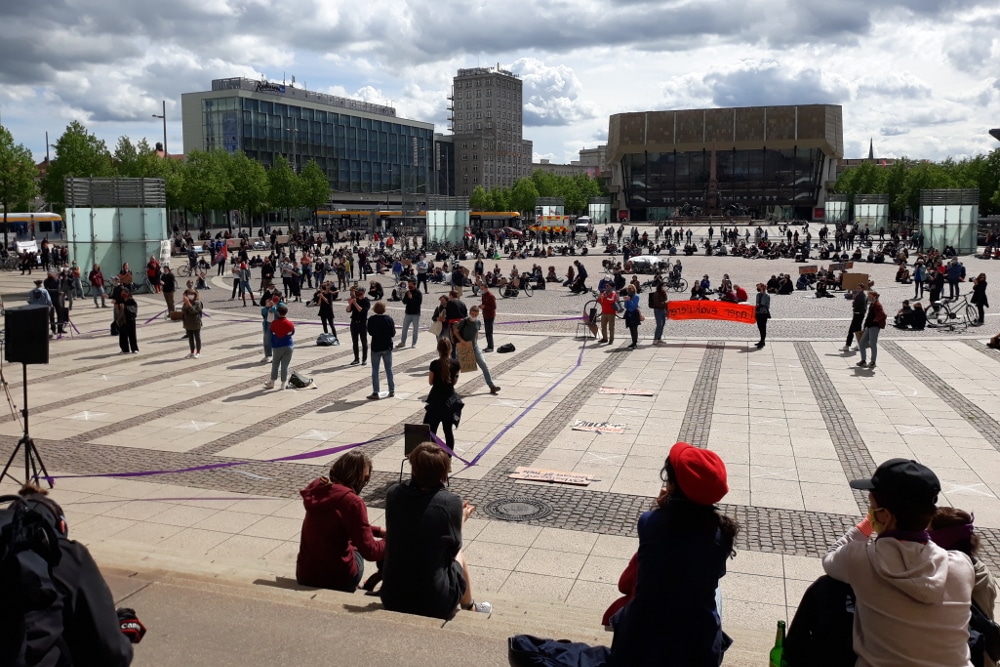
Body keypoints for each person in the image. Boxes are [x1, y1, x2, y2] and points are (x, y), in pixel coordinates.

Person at [822, 459, 974, 666]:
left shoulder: (861, 558)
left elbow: (830, 558)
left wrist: (867, 526)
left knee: (827, 587)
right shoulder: (961, 565)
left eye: (872, 506)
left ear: (885, 515)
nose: (870, 511)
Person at [2, 485, 144, 666]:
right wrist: (123, 633)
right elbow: (114, 651)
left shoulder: (5, 550)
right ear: (61, 525)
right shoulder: (68, 555)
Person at [380, 442, 491, 618]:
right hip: (434, 602)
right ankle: (469, 605)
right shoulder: (450, 503)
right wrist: (460, 519)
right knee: (459, 554)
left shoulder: (394, 494)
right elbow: (454, 546)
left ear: (414, 468)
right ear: (443, 472)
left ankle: (470, 605)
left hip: (393, 596)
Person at [295, 451, 385, 592]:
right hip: (339, 579)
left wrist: (378, 531)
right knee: (358, 544)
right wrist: (390, 540)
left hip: (305, 574)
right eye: (365, 478)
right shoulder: (352, 502)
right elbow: (370, 551)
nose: (365, 482)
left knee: (350, 538)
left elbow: (340, 522)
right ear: (356, 477)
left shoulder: (318, 488)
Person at [423, 338, 461, 454]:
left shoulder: (434, 364)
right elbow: (454, 382)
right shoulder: (456, 364)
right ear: (450, 349)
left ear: (438, 349)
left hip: (436, 400)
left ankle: (432, 455)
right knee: (448, 431)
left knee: (431, 431)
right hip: (449, 401)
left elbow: (431, 382)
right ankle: (448, 458)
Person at [452, 305, 500, 395]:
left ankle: (491, 386)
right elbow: (456, 332)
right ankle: (449, 387)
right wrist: (461, 340)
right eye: (472, 314)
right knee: (457, 368)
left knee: (484, 365)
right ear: (469, 312)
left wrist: (476, 342)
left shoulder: (478, 322)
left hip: (474, 347)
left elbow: (476, 332)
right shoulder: (463, 321)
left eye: (475, 314)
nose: (473, 316)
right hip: (464, 347)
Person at [366, 301, 396, 400]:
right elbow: (393, 333)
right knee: (389, 369)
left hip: (376, 346)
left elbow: (370, 332)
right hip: (387, 346)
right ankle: (391, 390)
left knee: (375, 370)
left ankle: (376, 391)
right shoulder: (389, 319)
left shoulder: (371, 319)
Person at [264, 305, 294, 390]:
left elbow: (270, 333)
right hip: (288, 345)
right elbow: (292, 332)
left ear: (278, 312)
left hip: (277, 346)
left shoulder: (274, 323)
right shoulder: (290, 323)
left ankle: (272, 382)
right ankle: (283, 384)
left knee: (275, 365)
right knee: (285, 366)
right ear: (286, 312)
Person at [857, 291, 886, 370]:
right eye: (868, 296)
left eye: (870, 296)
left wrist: (875, 320)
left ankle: (873, 361)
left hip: (874, 327)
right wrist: (865, 325)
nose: (868, 298)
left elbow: (883, 314)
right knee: (862, 343)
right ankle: (863, 360)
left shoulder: (878, 305)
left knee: (873, 344)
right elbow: (869, 316)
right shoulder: (872, 305)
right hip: (869, 326)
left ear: (874, 297)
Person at [348, 286, 371, 366]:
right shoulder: (356, 299)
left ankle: (364, 359)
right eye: (356, 292)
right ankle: (356, 359)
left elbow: (362, 310)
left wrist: (355, 303)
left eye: (358, 292)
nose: (357, 293)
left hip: (362, 323)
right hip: (354, 323)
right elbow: (348, 310)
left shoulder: (366, 301)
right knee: (355, 342)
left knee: (364, 342)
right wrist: (350, 303)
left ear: (363, 292)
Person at [844, 282, 868, 352]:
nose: (857, 289)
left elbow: (856, 305)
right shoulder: (862, 295)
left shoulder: (860, 296)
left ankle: (847, 345)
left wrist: (854, 302)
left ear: (862, 289)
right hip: (860, 314)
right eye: (857, 288)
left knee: (851, 330)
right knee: (858, 330)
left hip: (858, 314)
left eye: (859, 288)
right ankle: (859, 345)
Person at [398, 280, 421, 349]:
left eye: (410, 284)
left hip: (415, 314)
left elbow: (418, 303)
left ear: (414, 285)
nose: (409, 286)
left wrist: (411, 298)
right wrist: (403, 296)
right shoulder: (407, 292)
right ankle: (403, 342)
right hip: (408, 313)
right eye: (408, 284)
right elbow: (404, 302)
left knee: (415, 329)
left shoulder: (418, 293)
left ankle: (414, 343)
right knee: (404, 328)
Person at [260, 292, 282, 363]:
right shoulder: (269, 303)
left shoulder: (281, 305)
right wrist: (267, 306)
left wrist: (272, 306)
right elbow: (263, 312)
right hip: (268, 323)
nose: (274, 298)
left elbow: (278, 313)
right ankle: (268, 355)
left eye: (276, 297)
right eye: (273, 297)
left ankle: (277, 356)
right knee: (266, 340)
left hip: (276, 324)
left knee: (277, 341)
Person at [181, 289, 203, 359]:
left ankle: (198, 352)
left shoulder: (198, 303)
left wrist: (188, 303)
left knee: (197, 338)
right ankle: (192, 352)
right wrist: (186, 302)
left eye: (192, 294)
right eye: (189, 294)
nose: (190, 296)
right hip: (188, 323)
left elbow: (193, 311)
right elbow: (183, 310)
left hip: (195, 323)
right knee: (190, 339)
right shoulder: (186, 302)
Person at [117, 289, 139, 354]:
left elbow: (133, 310)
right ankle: (124, 349)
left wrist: (125, 307)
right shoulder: (121, 300)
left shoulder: (131, 301)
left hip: (130, 320)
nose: (122, 295)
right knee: (123, 335)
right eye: (122, 293)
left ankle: (134, 349)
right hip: (122, 320)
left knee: (132, 334)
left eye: (124, 293)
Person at [622, 285, 641, 349]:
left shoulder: (636, 296)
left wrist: (629, 300)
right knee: (631, 328)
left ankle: (635, 343)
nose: (628, 290)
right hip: (629, 313)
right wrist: (626, 300)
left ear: (633, 289)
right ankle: (633, 342)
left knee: (634, 328)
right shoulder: (628, 296)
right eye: (628, 288)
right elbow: (626, 306)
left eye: (630, 288)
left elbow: (634, 306)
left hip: (634, 313)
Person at [480, 283, 496, 352]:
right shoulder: (483, 295)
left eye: (482, 288)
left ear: (486, 288)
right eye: (481, 288)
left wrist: (485, 307)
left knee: (489, 331)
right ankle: (488, 345)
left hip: (490, 316)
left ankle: (491, 347)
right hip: (485, 315)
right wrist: (481, 306)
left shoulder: (491, 296)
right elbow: (484, 304)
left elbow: (494, 307)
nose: (481, 290)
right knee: (487, 331)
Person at [650, 281, 668, 346]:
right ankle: (655, 339)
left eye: (665, 286)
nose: (665, 287)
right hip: (658, 310)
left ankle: (659, 338)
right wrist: (664, 304)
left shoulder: (663, 293)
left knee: (663, 324)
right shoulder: (656, 293)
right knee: (659, 325)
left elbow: (665, 300)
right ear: (660, 286)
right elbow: (657, 303)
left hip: (663, 310)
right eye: (664, 286)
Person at [755, 282, 771, 349]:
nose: (757, 288)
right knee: (759, 327)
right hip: (758, 313)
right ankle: (761, 340)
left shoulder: (766, 295)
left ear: (762, 288)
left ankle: (762, 341)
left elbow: (764, 304)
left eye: (758, 287)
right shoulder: (758, 295)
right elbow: (757, 303)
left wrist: (759, 305)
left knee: (763, 328)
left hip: (763, 313)